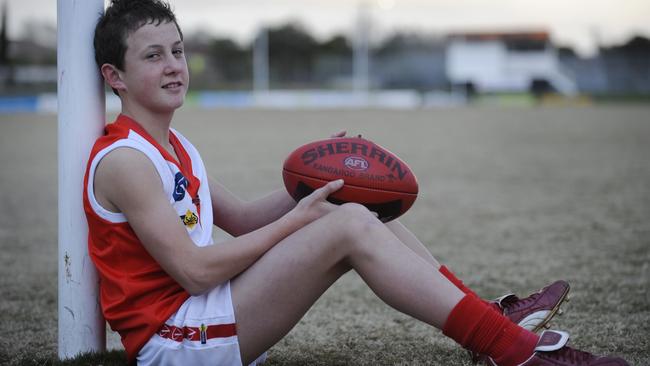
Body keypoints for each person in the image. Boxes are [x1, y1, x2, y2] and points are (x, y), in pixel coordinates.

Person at [85, 1, 629, 365]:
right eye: (153, 56)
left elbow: (246, 219)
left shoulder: (176, 148)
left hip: (207, 317)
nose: (174, 65)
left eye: (177, 51)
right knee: (345, 224)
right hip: (174, 341)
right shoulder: (125, 160)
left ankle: (493, 321)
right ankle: (514, 351)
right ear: (115, 77)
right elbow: (196, 270)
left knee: (354, 207)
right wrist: (301, 220)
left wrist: (329, 179)